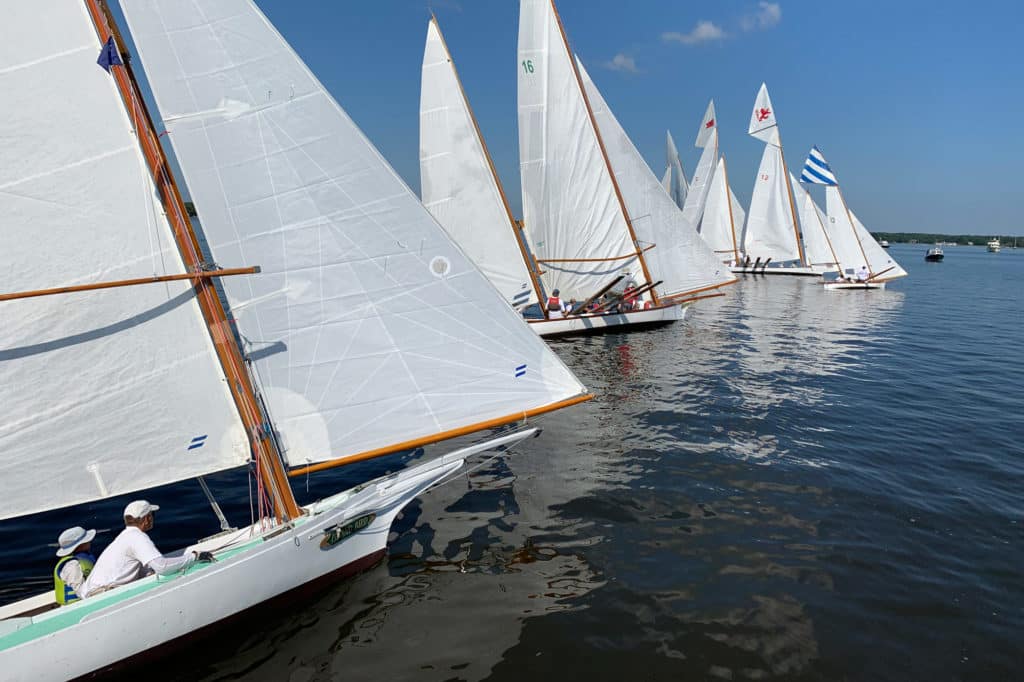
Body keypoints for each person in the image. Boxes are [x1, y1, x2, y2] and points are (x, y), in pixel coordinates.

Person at [81, 500, 210, 598]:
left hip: (91, 592)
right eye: (152, 514)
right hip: (102, 595)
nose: (153, 518)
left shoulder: (125, 536)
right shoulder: (137, 537)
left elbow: (141, 568)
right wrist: (195, 557)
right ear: (147, 519)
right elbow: (162, 567)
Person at [54, 526, 96, 605]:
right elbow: (81, 591)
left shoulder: (81, 560)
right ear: (80, 545)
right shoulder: (72, 566)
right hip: (75, 606)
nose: (89, 541)